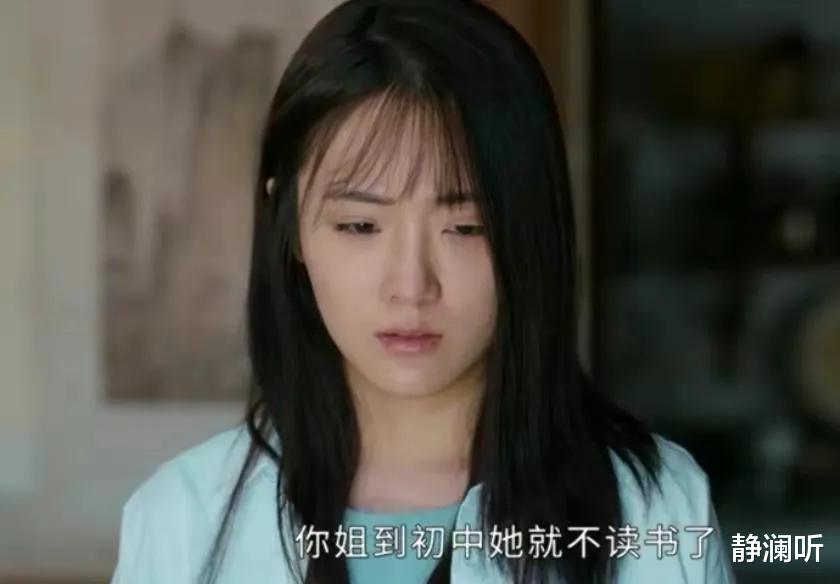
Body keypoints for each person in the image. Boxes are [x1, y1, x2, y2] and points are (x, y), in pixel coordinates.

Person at [111, 1, 737, 583]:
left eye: (466, 227)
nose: (411, 286)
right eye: (361, 226)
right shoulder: (183, 520)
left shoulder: (654, 514)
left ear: (529, 231)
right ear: (290, 224)